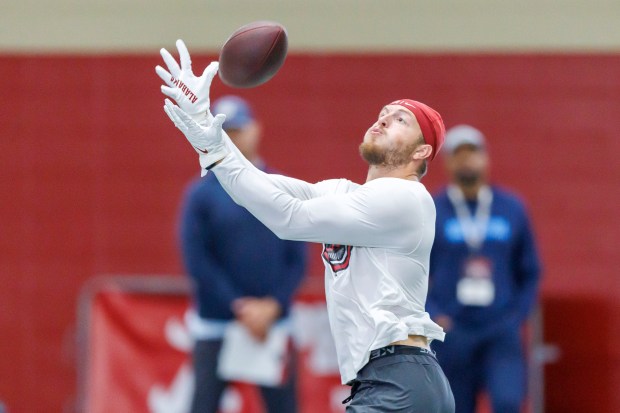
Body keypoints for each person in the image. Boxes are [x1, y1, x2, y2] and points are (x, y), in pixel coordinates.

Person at [156, 39, 455, 413]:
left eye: (400, 120)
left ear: (421, 151)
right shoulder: (348, 193)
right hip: (388, 380)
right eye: (383, 112)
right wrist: (206, 131)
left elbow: (288, 218)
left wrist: (215, 149)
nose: (383, 118)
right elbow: (262, 187)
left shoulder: (405, 199)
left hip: (401, 380)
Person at [177, 93, 308, 413]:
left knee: (283, 406)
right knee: (204, 404)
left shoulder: (278, 186)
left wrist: (272, 305)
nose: (233, 138)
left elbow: (298, 257)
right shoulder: (202, 194)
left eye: (238, 129)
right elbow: (197, 260)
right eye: (226, 132)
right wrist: (239, 306)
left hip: (271, 325)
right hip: (217, 324)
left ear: (256, 130)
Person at [427, 125, 542, 413]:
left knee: (507, 402)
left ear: (486, 158)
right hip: (453, 328)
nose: (467, 161)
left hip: (499, 327)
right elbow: (412, 271)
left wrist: (516, 315)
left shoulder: (511, 208)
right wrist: (433, 313)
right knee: (454, 406)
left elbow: (530, 270)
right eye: (459, 155)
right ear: (448, 162)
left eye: (473, 153)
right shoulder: (432, 209)